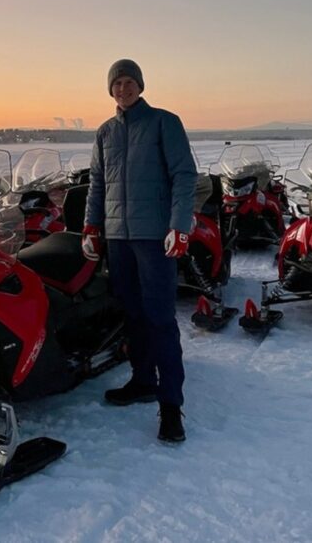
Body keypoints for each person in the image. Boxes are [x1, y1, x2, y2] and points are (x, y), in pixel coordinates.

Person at [81, 58, 197, 443]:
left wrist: (179, 226)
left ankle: (170, 406)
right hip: (118, 239)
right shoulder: (104, 133)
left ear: (141, 86)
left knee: (160, 318)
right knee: (132, 316)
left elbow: (184, 176)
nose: (123, 89)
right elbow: (97, 183)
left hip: (154, 238)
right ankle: (143, 380)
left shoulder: (165, 122)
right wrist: (91, 226)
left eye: (130, 82)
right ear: (110, 89)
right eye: (117, 83)